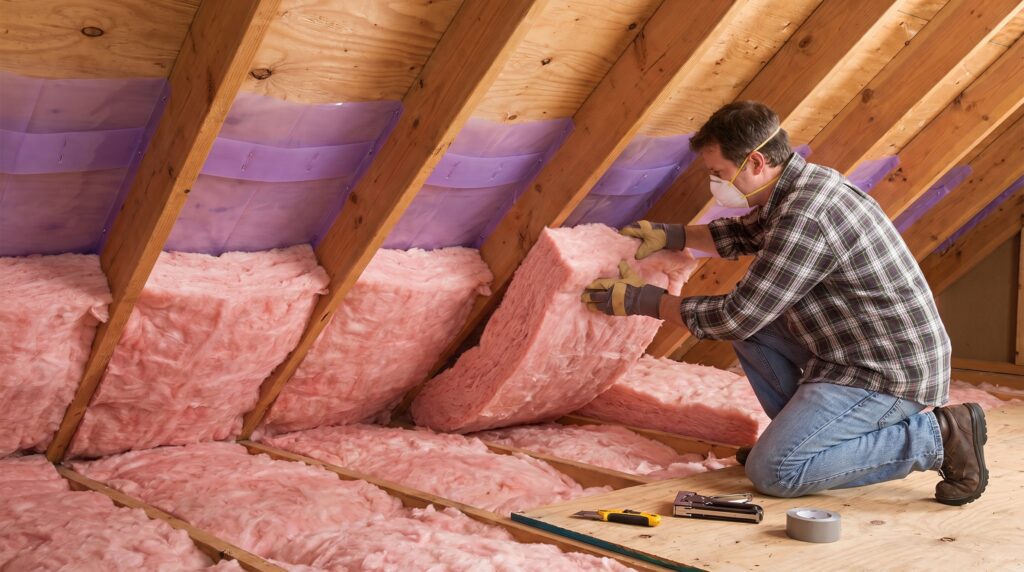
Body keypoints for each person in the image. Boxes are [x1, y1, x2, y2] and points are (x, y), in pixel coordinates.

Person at [581, 101, 987, 505]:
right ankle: (797, 440)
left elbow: (735, 318)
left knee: (775, 472)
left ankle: (940, 436)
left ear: (756, 161)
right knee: (756, 332)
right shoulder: (800, 186)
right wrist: (672, 235)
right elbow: (744, 235)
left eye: (720, 174)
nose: (716, 183)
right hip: (854, 353)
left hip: (886, 375)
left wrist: (644, 300)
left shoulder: (807, 216)